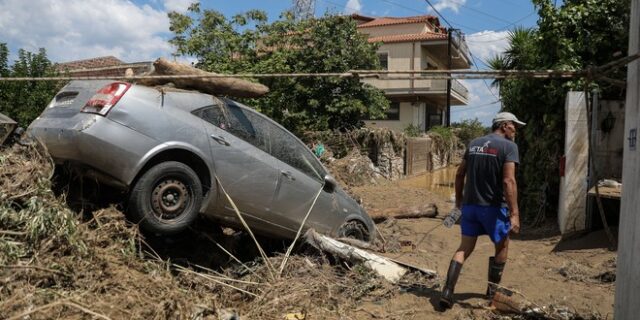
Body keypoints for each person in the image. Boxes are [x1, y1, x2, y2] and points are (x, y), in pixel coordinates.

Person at [439, 111, 525, 309]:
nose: (516, 130)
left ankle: (447, 291)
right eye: (514, 126)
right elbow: (508, 181)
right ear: (504, 125)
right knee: (502, 247)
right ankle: (492, 292)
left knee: (464, 248)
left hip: (470, 208)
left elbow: (460, 174)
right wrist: (514, 214)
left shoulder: (474, 143)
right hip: (494, 209)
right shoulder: (509, 146)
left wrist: (459, 203)